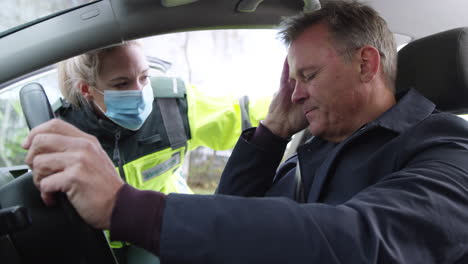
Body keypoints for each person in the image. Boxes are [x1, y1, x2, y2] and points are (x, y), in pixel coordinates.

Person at [23, 1, 468, 263]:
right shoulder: (320, 139)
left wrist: (125, 206)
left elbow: (356, 241)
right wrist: (272, 134)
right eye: (291, 80)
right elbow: (234, 206)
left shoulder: (447, 151)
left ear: (366, 64)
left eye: (307, 75)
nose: (294, 94)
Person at [53, 41, 270, 263]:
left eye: (144, 77)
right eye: (121, 84)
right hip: (99, 239)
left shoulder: (172, 107)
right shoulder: (65, 130)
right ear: (86, 89)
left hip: (159, 222)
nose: (139, 91)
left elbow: (238, 115)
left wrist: (285, 108)